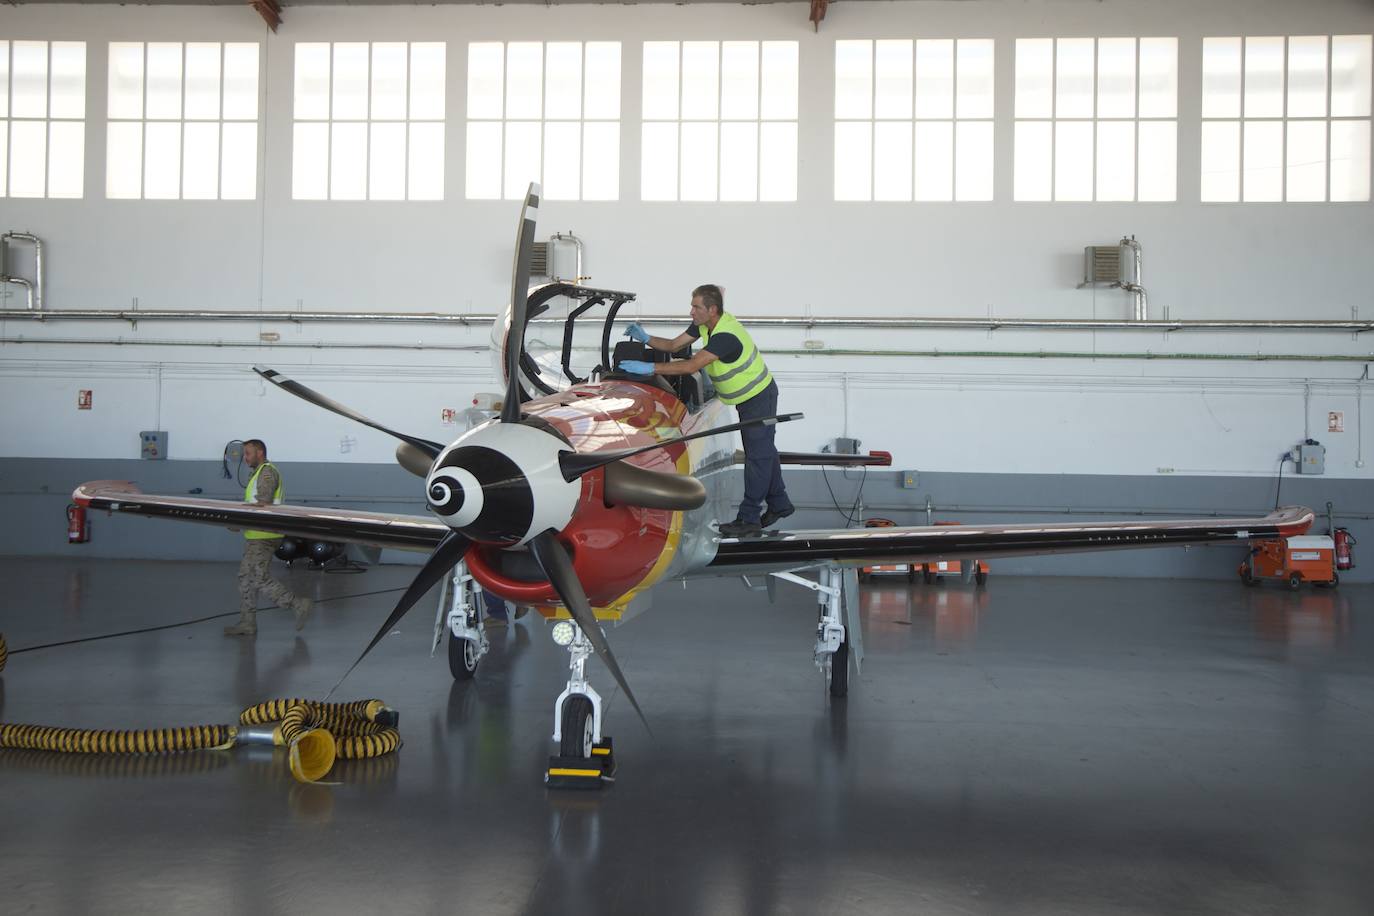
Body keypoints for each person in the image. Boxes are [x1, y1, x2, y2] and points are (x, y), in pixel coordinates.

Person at [617, 284, 794, 537]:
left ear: (712, 310)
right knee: (763, 450)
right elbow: (675, 345)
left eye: (696, 307)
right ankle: (780, 503)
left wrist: (651, 369)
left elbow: (692, 366)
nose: (691, 312)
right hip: (747, 397)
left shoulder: (725, 336)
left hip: (758, 396)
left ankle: (749, 518)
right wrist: (647, 338)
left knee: (758, 456)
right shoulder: (705, 325)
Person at [224, 439, 314, 636]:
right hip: (256, 534)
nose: (245, 458)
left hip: (264, 535)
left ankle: (298, 604)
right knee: (246, 578)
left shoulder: (266, 472)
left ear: (260, 453)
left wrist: (237, 520)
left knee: (257, 577)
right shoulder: (258, 473)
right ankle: (248, 623)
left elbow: (263, 504)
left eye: (248, 453)